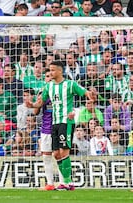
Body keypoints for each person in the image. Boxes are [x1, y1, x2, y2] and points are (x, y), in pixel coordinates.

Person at [27, 61, 96, 190]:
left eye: (53, 70)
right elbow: (40, 102)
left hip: (66, 122)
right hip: (55, 123)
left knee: (64, 152)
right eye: (50, 70)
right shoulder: (49, 87)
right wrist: (32, 105)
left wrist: (90, 97)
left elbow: (85, 92)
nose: (51, 73)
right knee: (56, 154)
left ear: (60, 71)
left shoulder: (70, 84)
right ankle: (64, 182)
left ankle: (68, 182)